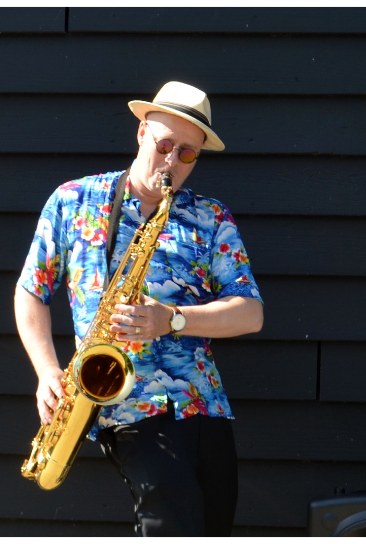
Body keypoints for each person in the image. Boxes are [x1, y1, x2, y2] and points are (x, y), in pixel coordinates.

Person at [14, 81, 264, 536]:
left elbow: (250, 313)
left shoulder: (211, 217)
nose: (172, 162)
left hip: (204, 405)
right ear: (141, 132)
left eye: (187, 153)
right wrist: (47, 371)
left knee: (215, 524)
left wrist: (173, 320)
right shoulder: (74, 201)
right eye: (164, 145)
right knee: (171, 519)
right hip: (126, 405)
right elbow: (31, 291)